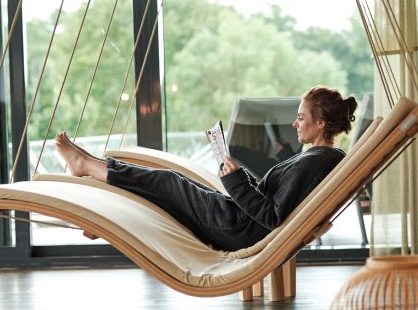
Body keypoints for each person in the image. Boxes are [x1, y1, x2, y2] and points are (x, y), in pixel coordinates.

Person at [55, 85, 358, 252]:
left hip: (237, 228)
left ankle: (85, 165)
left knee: (168, 182)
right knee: (173, 184)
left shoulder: (314, 163)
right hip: (238, 221)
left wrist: (237, 181)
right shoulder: (320, 158)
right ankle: (101, 212)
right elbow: (272, 202)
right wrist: (237, 176)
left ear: (321, 123)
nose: (295, 123)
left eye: (301, 117)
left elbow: (272, 217)